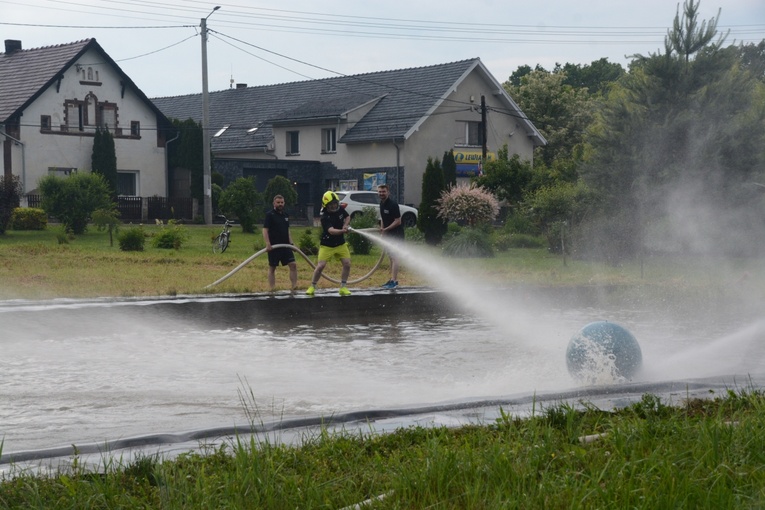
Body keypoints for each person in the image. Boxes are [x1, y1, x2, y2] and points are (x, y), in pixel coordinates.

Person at [306, 191, 352, 296]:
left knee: (347, 264)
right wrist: (343, 231)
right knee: (321, 266)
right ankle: (312, 286)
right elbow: (331, 231)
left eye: (335, 203)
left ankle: (343, 287)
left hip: (340, 243)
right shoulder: (324, 216)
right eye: (330, 205)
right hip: (327, 245)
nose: (333, 206)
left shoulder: (340, 209)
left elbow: (348, 217)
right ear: (326, 205)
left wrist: (345, 225)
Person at [262, 194, 297, 292]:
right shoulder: (270, 215)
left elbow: (287, 230)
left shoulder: (285, 215)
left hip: (285, 246)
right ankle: (272, 289)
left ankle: (294, 287)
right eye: (278, 202)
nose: (280, 204)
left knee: (293, 265)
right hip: (274, 246)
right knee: (272, 267)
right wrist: (268, 243)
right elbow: (265, 230)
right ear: (274, 203)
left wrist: (291, 243)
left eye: (282, 202)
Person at [377, 184, 404, 289]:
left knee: (395, 257)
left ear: (388, 192)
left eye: (383, 191)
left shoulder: (393, 205)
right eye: (379, 192)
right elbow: (383, 219)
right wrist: (383, 230)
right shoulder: (381, 204)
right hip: (388, 234)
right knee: (390, 257)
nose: (381, 194)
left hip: (396, 235)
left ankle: (394, 281)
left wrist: (386, 229)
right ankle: (392, 279)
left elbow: (398, 221)